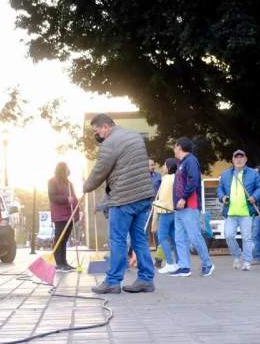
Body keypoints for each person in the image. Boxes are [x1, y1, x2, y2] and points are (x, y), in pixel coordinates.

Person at [83, 114, 156, 294]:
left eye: (97, 130)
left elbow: (101, 169)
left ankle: (113, 282)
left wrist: (86, 186)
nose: (97, 135)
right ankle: (146, 279)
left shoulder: (110, 142)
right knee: (139, 238)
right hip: (143, 196)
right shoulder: (135, 136)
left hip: (124, 198)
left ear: (105, 127)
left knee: (117, 240)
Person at [171, 137, 215, 277]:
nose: (173, 149)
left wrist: (184, 198)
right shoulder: (181, 163)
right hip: (178, 208)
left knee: (194, 236)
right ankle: (184, 267)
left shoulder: (190, 161)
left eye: (175, 146)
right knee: (179, 238)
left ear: (180, 147)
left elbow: (194, 180)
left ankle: (208, 263)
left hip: (189, 205)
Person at [217, 150, 260, 271]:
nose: (239, 160)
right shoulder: (226, 174)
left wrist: (255, 196)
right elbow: (220, 189)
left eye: (241, 157)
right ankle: (237, 255)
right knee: (229, 235)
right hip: (230, 212)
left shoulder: (253, 173)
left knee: (247, 238)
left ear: (246, 159)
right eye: (236, 158)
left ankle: (247, 261)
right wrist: (223, 197)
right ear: (233, 160)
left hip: (246, 212)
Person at [48, 162, 81, 271]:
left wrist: (76, 212)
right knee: (59, 239)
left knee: (65, 238)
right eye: (66, 168)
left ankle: (64, 262)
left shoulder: (69, 183)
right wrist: (66, 200)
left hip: (69, 214)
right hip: (60, 215)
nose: (68, 170)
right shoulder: (52, 181)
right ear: (62, 169)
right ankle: (59, 263)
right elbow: (52, 197)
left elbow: (74, 196)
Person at [153, 158, 178, 274]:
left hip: (165, 211)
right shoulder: (176, 178)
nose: (162, 167)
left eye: (164, 165)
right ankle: (178, 262)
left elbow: (163, 198)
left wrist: (155, 204)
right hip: (174, 212)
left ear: (168, 167)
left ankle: (169, 263)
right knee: (173, 238)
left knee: (162, 237)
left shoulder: (166, 179)